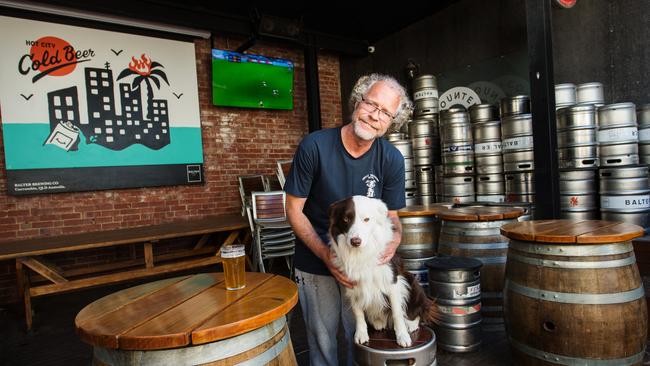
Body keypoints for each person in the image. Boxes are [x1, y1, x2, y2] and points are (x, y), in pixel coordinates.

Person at [284, 73, 412, 366]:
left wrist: (393, 241)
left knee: (360, 337)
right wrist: (325, 255)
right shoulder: (314, 146)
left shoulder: (392, 159)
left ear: (391, 122)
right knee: (323, 342)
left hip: (363, 266)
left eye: (385, 112)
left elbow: (392, 216)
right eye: (371, 104)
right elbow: (293, 209)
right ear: (358, 101)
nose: (374, 116)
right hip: (316, 260)